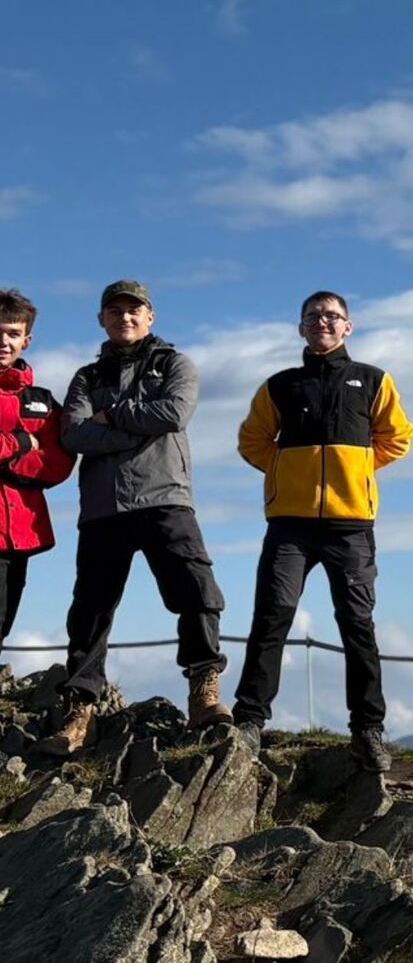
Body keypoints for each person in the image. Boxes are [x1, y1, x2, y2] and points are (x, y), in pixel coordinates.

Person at [41, 280, 231, 755]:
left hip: (166, 497)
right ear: (101, 320)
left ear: (150, 316)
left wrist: (112, 415)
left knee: (197, 591)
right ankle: (79, 711)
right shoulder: (86, 376)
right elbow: (75, 436)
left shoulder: (176, 364)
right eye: (114, 310)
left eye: (134, 310)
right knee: (90, 611)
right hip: (104, 508)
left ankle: (204, 689)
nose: (125, 317)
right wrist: (133, 426)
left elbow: (172, 413)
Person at [232, 291, 413, 772]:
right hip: (288, 525)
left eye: (332, 316)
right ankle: (249, 720)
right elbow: (252, 440)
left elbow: (398, 436)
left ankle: (368, 729)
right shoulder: (280, 386)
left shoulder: (373, 380)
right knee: (272, 615)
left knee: (357, 626)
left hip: (351, 525)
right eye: (313, 316)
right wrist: (283, 472)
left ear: (347, 327)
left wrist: (358, 470)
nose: (323, 322)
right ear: (301, 328)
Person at [0, 290, 75, 661]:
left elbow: (58, 463)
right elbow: (32, 451)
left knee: (3, 621)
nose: (4, 341)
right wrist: (18, 444)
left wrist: (8, 463)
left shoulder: (42, 402)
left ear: (26, 339)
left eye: (12, 333)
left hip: (21, 532)